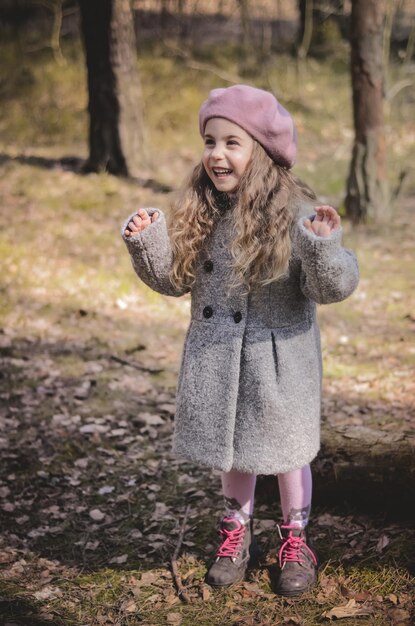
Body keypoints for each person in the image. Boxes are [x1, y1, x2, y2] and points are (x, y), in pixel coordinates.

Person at [121, 84, 359, 597]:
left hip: (280, 361)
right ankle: (235, 533)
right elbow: (174, 279)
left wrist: (322, 248)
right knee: (232, 448)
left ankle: (296, 539)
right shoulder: (203, 213)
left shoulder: (295, 218)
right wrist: (149, 241)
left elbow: (332, 287)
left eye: (233, 142)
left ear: (264, 153)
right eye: (210, 141)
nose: (217, 154)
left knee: (287, 450)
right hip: (220, 354)